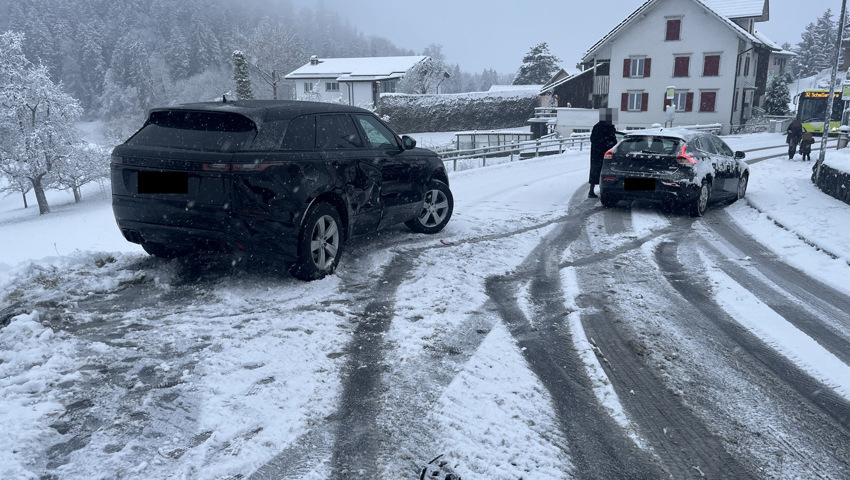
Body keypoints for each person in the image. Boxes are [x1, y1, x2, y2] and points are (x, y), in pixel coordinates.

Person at [589, 108, 618, 198]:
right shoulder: (607, 127)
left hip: (597, 153)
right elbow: (612, 139)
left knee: (596, 171)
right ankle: (603, 191)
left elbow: (593, 139)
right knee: (605, 171)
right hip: (605, 153)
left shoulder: (597, 126)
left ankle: (592, 190)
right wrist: (609, 144)